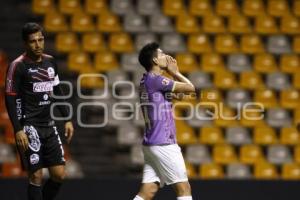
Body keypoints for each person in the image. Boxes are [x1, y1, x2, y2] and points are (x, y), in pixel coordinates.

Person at [5, 22, 74, 200]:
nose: (38, 44)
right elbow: (10, 99)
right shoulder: (17, 66)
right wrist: (18, 129)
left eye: (40, 40)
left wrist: (67, 118)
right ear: (25, 43)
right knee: (35, 176)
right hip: (29, 127)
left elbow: (58, 91)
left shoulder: (50, 62)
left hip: (49, 126)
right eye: (33, 41)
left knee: (59, 174)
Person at [134, 42, 195, 200]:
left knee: (148, 192)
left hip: (151, 144)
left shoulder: (146, 81)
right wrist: (176, 72)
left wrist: (172, 75)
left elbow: (181, 96)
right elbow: (190, 88)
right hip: (164, 143)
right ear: (155, 61)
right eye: (161, 54)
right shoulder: (156, 80)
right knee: (184, 188)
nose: (166, 57)